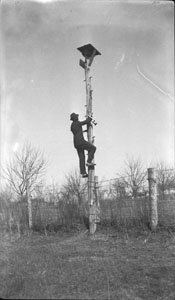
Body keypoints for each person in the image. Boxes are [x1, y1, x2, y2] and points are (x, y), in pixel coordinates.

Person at [70, 112, 96, 178]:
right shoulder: (77, 123)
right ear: (75, 118)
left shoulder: (72, 125)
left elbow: (78, 131)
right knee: (93, 148)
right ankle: (89, 161)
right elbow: (86, 121)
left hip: (76, 143)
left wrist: (83, 131)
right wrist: (90, 117)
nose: (78, 117)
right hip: (81, 141)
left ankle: (83, 173)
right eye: (77, 116)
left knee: (81, 157)